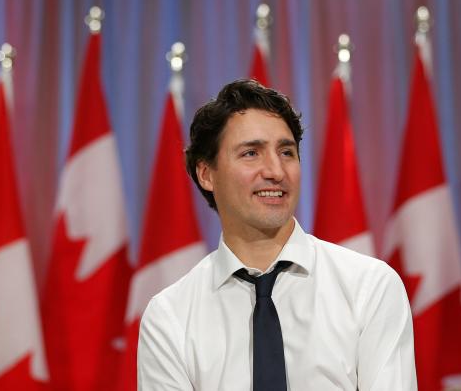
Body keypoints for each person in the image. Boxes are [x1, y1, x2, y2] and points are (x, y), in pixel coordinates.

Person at [137, 79, 416, 390]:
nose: (276, 171)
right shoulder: (170, 316)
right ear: (206, 174)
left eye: (286, 152)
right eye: (251, 153)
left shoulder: (369, 288)